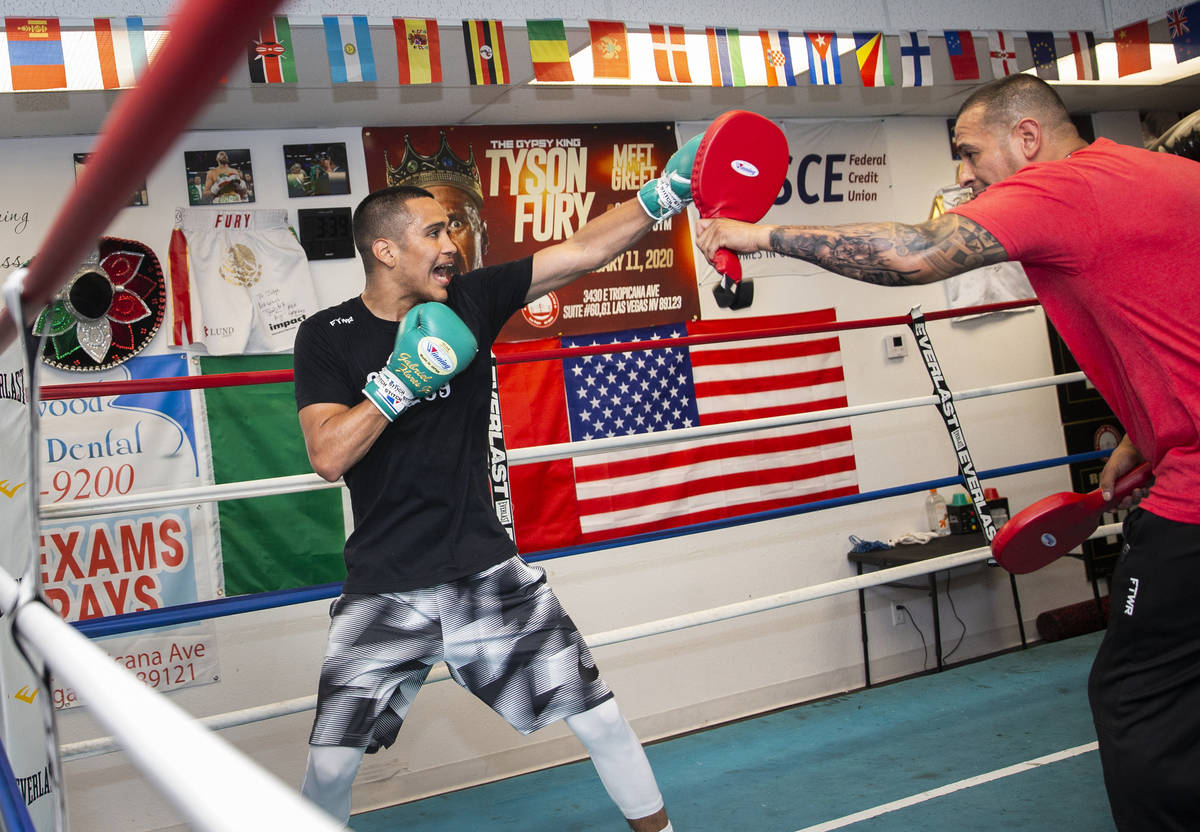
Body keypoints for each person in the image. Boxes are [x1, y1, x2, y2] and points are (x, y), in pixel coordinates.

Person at [695, 74, 1200, 831]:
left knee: (1137, 695)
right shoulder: (1165, 176)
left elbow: (916, 254)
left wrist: (755, 237)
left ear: (1027, 137)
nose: (963, 175)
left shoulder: (1060, 188)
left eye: (969, 152)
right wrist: (1150, 425)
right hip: (1179, 458)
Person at [292, 134, 700, 831]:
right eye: (432, 231)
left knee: (598, 719)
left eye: (451, 227)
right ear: (385, 249)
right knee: (330, 765)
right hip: (386, 580)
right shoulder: (326, 335)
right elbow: (328, 454)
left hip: (482, 566)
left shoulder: (470, 300)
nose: (450, 243)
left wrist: (662, 197)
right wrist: (399, 385)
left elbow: (581, 251)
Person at [388, 132, 488, 275]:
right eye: (431, 231)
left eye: (456, 225)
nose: (448, 246)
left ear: (484, 237)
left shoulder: (507, 294)